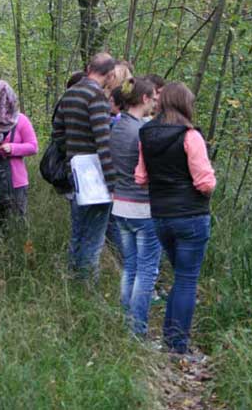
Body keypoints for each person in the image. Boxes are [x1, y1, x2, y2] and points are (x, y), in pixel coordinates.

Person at [135, 82, 216, 354]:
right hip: (191, 216)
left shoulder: (146, 134)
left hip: (160, 217)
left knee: (181, 278)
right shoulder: (190, 136)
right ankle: (177, 347)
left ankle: (171, 340)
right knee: (186, 280)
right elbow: (205, 183)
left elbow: (141, 178)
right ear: (184, 104)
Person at [52, 52, 117, 283]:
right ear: (110, 74)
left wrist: (73, 154)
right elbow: (104, 143)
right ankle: (87, 287)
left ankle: (74, 281)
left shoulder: (70, 93)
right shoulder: (96, 96)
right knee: (94, 238)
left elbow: (57, 133)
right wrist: (112, 183)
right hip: (95, 177)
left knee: (78, 232)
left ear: (89, 67)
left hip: (75, 172)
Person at [110, 77, 162, 337]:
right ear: (144, 99)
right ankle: (137, 331)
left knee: (130, 266)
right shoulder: (141, 132)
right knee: (146, 271)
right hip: (142, 207)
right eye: (153, 98)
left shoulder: (118, 127)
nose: (155, 102)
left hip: (120, 206)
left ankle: (126, 323)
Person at [0, 80, 38, 218]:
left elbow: (33, 146)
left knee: (16, 222)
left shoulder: (20, 120)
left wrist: (12, 148)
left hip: (16, 182)